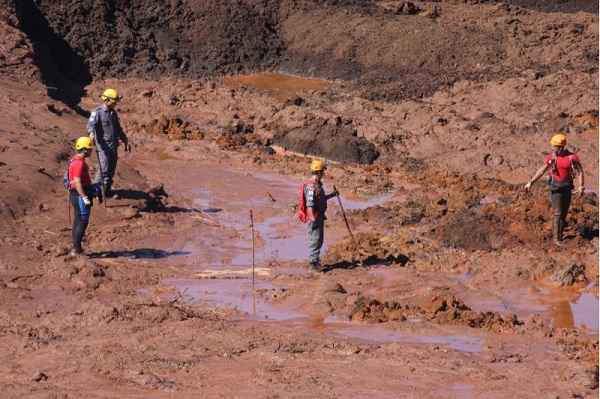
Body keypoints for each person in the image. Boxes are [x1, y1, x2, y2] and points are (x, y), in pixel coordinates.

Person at [524, 133, 585, 245]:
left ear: (561, 147)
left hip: (567, 187)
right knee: (558, 212)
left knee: (564, 213)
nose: (553, 148)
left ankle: (560, 234)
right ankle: (556, 239)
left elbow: (580, 171)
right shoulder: (552, 157)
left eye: (555, 146)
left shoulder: (571, 158)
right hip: (555, 188)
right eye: (553, 146)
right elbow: (542, 170)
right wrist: (530, 182)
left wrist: (581, 186)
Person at [87, 88, 131, 199]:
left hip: (113, 146)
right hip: (103, 147)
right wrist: (91, 134)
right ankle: (96, 192)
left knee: (111, 169)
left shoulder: (113, 113)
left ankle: (106, 190)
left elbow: (118, 129)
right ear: (107, 100)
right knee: (103, 169)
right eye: (114, 101)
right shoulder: (97, 112)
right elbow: (90, 125)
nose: (116, 103)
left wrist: (125, 139)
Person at [303, 159, 339, 271]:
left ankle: (316, 261)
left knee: (319, 240)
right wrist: (313, 218)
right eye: (322, 171)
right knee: (315, 239)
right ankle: (313, 264)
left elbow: (320, 199)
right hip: (314, 217)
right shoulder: (311, 187)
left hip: (319, 216)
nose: (323, 174)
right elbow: (309, 204)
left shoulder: (317, 185)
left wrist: (332, 195)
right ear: (318, 172)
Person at [68, 137, 98, 255]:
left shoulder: (74, 160)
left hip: (76, 194)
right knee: (82, 222)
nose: (91, 151)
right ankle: (76, 249)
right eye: (90, 149)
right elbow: (77, 182)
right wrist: (85, 197)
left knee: (78, 219)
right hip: (80, 195)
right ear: (85, 150)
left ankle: (76, 247)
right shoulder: (79, 164)